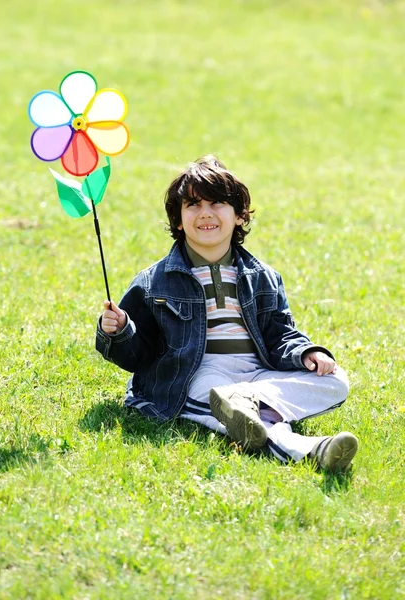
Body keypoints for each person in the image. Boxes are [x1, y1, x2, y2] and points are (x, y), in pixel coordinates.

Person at [96, 156, 358, 471]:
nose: (205, 213)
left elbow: (280, 334)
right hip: (198, 373)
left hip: (257, 374)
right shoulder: (155, 281)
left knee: (335, 381)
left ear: (238, 216)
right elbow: (138, 355)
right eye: (193, 205)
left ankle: (244, 402)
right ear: (178, 220)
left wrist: (306, 353)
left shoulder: (262, 276)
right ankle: (314, 449)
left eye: (217, 203)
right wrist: (119, 330)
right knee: (214, 396)